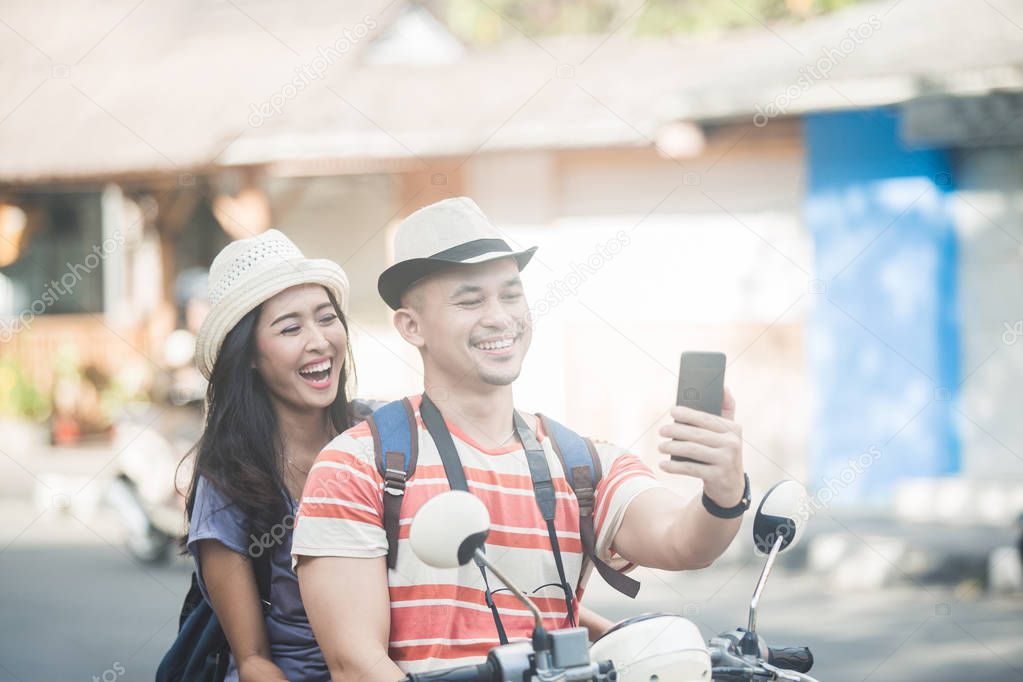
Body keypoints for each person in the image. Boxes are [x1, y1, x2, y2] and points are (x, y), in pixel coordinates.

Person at [293, 197, 750, 681]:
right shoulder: (356, 465)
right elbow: (356, 666)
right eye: (470, 300)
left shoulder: (580, 462)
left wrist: (722, 491)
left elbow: (683, 543)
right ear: (412, 326)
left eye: (511, 295)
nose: (500, 317)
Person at [184, 229, 369, 682]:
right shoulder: (227, 484)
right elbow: (253, 661)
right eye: (290, 328)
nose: (319, 341)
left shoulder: (380, 434)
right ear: (247, 354)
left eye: (326, 318)